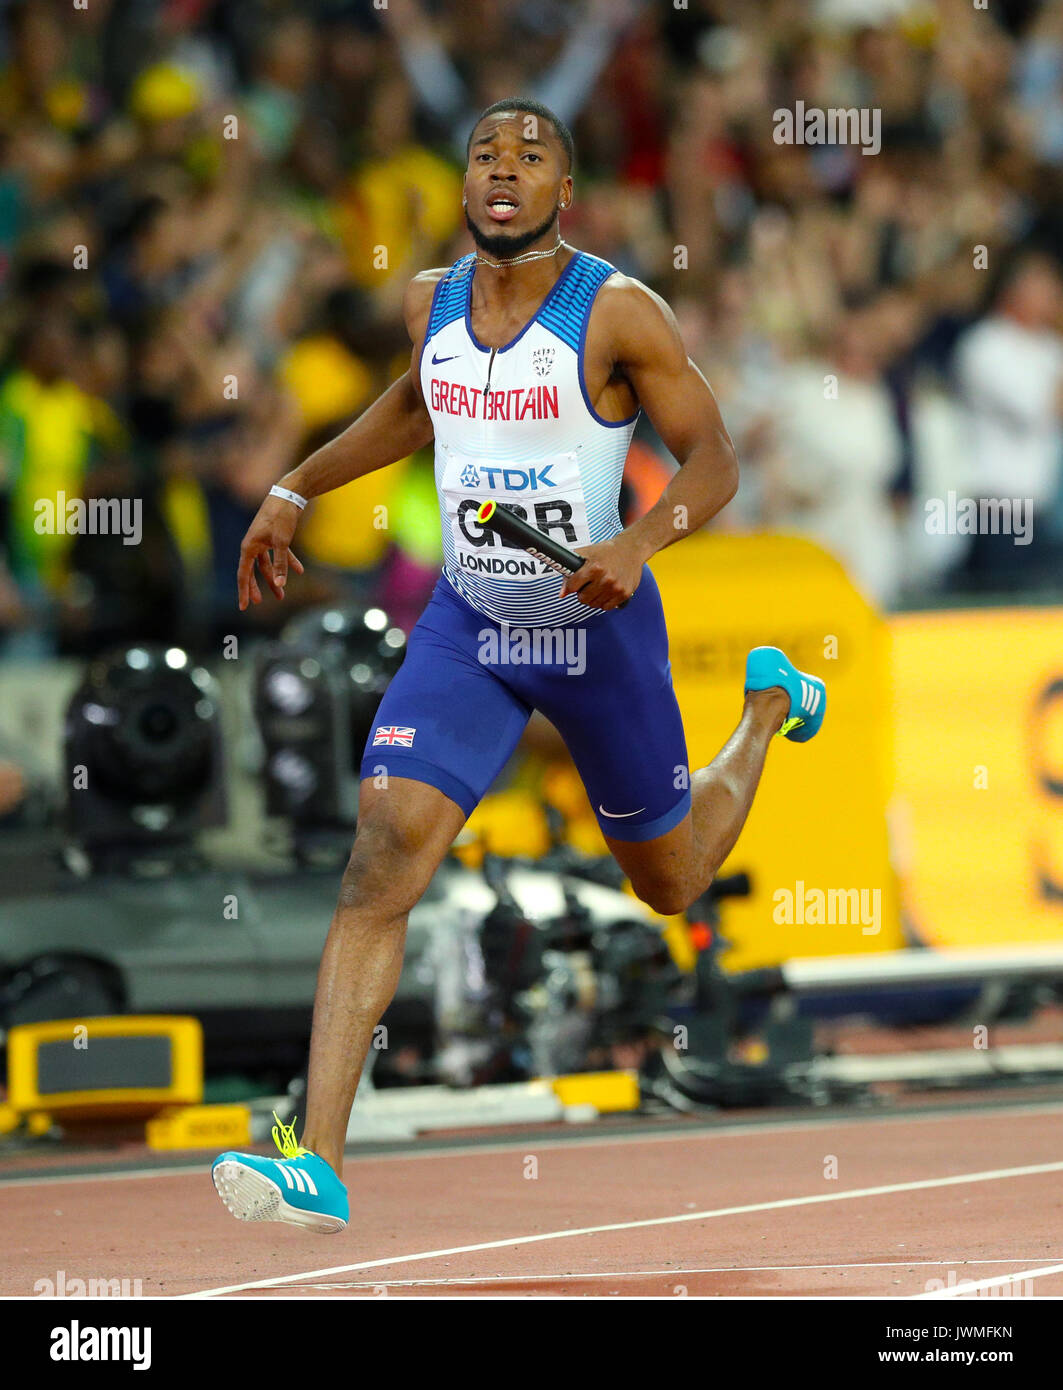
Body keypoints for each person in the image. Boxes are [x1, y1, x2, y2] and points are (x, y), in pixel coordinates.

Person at [211, 99, 827, 1234]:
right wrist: (296, 485)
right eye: (485, 154)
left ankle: (763, 709)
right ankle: (317, 1158)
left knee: (671, 880)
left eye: (529, 155)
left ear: (564, 192)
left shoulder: (619, 314)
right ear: (462, 186)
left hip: (595, 631)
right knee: (380, 856)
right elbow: (416, 407)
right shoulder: (428, 304)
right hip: (471, 629)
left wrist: (636, 544)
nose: (503, 169)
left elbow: (715, 456)